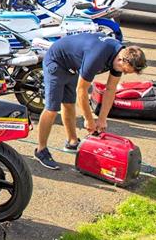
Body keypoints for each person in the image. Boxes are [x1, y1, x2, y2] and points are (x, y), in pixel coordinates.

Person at [34, 34, 147, 170]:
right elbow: (81, 91)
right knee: (52, 108)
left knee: (69, 103)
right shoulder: (97, 57)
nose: (124, 73)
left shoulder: (119, 57)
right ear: (122, 60)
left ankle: (72, 142)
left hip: (73, 66)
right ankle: (41, 150)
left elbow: (110, 90)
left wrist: (102, 119)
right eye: (124, 70)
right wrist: (89, 119)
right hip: (57, 61)